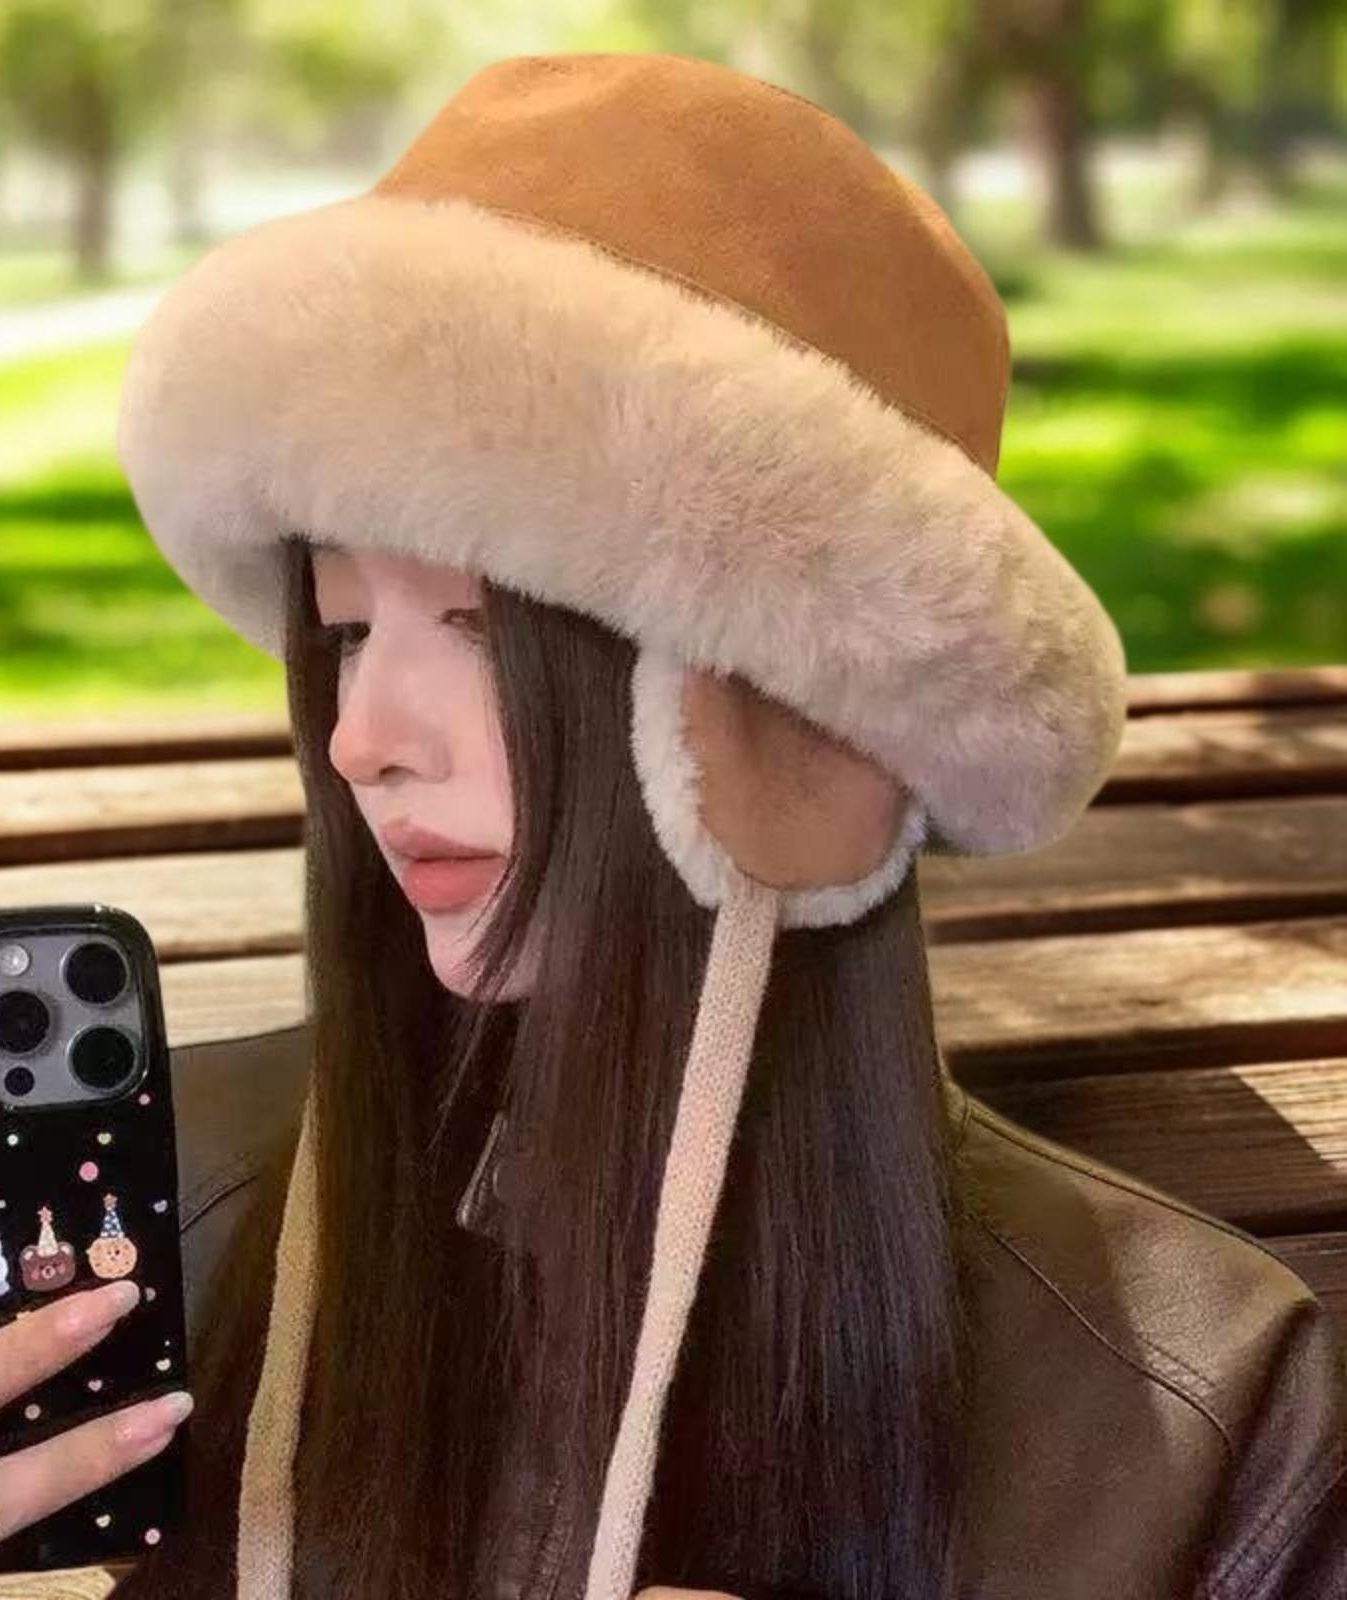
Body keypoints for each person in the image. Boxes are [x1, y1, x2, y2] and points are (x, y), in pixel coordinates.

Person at [106, 50, 1347, 1600]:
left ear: (797, 714)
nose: (360, 741)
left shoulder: (1192, 1409)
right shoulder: (171, 1215)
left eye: (480, 630)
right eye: (348, 631)